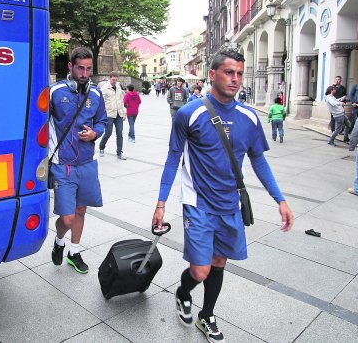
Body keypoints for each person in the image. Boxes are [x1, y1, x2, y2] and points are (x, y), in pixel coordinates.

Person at [152, 48, 294, 343]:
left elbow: (259, 161)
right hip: (198, 205)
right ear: (212, 74)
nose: (236, 79)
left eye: (240, 73)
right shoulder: (189, 114)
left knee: (219, 263)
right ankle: (182, 292)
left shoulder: (249, 117)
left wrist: (280, 199)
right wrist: (161, 202)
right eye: (229, 72)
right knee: (201, 270)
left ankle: (207, 315)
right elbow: (172, 158)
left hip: (230, 205)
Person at [49, 47, 108, 274]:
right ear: (70, 68)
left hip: (86, 163)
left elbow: (102, 121)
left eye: (88, 69)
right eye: (80, 68)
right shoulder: (55, 92)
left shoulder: (96, 94)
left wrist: (95, 133)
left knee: (81, 210)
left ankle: (74, 251)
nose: (84, 74)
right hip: (62, 164)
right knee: (67, 217)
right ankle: (59, 241)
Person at [99, 71, 127, 160]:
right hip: (109, 114)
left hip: (119, 114)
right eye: (113, 80)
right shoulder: (104, 88)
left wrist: (123, 113)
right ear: (109, 78)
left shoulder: (119, 87)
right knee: (108, 133)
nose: (114, 81)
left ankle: (119, 153)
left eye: (116, 80)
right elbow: (100, 102)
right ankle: (101, 147)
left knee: (120, 134)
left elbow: (121, 101)